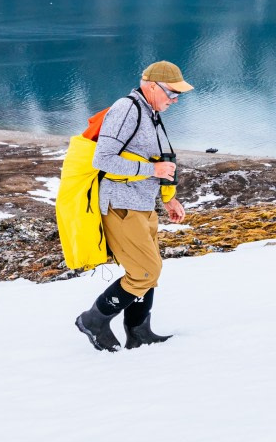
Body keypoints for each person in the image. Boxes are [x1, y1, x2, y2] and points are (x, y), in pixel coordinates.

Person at [74, 61, 193, 351]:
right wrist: (152, 172)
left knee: (151, 269)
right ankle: (93, 320)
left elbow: (162, 160)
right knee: (144, 272)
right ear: (151, 86)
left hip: (142, 205)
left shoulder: (150, 111)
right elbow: (102, 159)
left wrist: (168, 198)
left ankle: (139, 332)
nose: (174, 99)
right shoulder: (127, 109)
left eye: (178, 94)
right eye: (171, 93)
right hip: (121, 206)